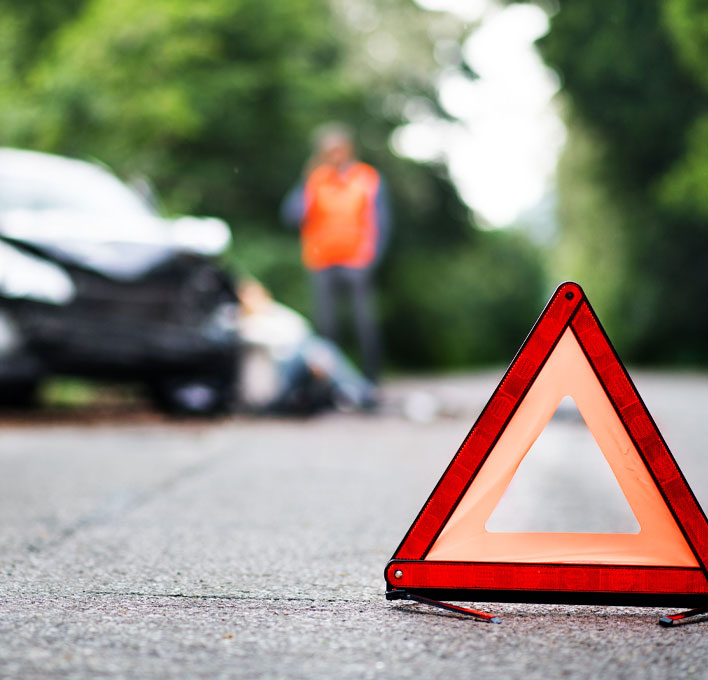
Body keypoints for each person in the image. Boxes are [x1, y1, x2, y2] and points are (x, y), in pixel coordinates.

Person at [281, 123, 390, 383]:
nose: (335, 155)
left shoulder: (367, 178)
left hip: (356, 260)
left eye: (339, 149)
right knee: (326, 325)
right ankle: (331, 383)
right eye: (329, 151)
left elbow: (382, 221)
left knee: (364, 323)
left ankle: (371, 381)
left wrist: (372, 257)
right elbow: (291, 215)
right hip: (321, 260)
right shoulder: (315, 180)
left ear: (349, 149)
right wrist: (306, 181)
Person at [235, 279, 378, 414]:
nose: (253, 300)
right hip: (279, 373)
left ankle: (352, 391)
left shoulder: (276, 313)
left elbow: (301, 328)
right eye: (248, 296)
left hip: (298, 360)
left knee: (318, 348)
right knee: (316, 349)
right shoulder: (241, 322)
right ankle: (357, 391)